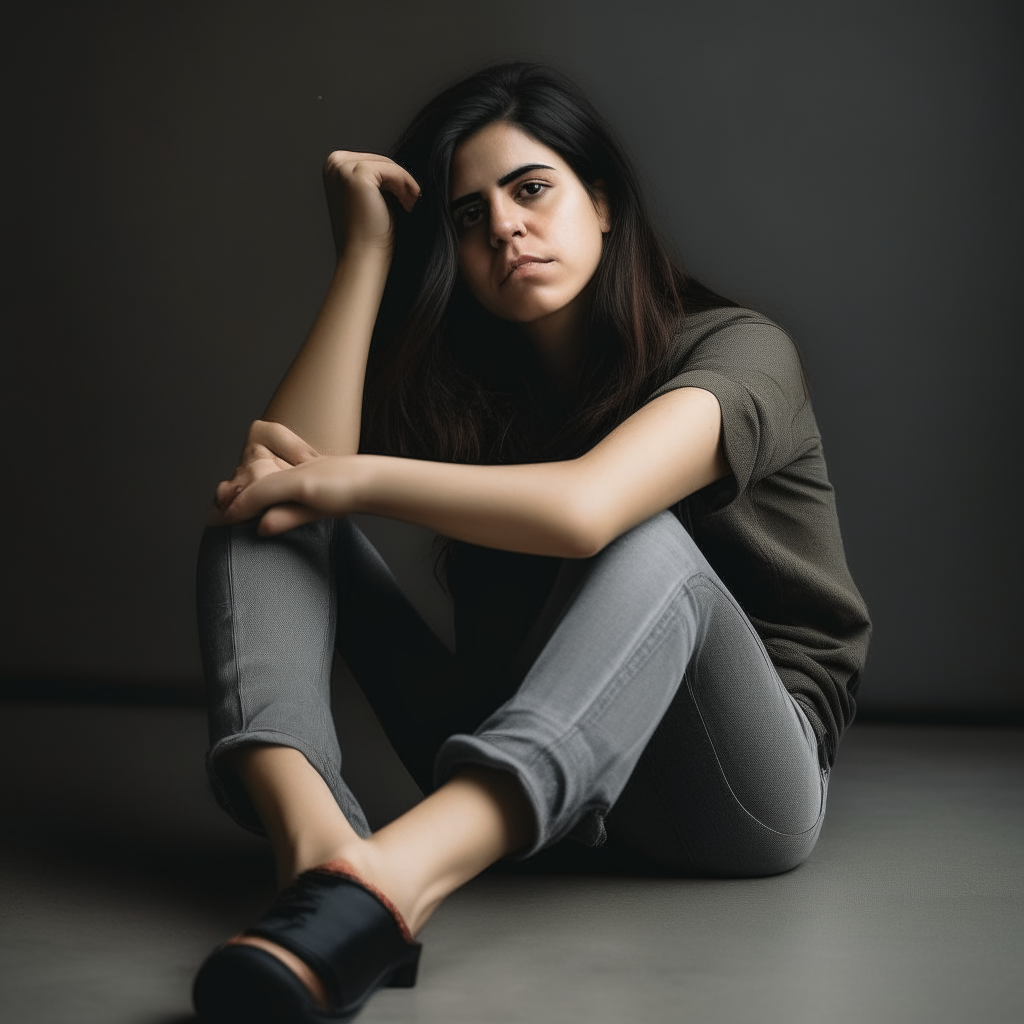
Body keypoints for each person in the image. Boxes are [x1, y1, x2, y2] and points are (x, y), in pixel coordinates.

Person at [191, 62, 871, 1023]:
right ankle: (317, 864)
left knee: (649, 542)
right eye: (469, 216)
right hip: (508, 743)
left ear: (601, 203)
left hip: (728, 786)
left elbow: (588, 507)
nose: (505, 225)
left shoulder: (739, 351)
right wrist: (366, 260)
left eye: (532, 189)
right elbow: (287, 467)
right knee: (265, 513)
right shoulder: (473, 393)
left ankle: (394, 880)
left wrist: (347, 478)